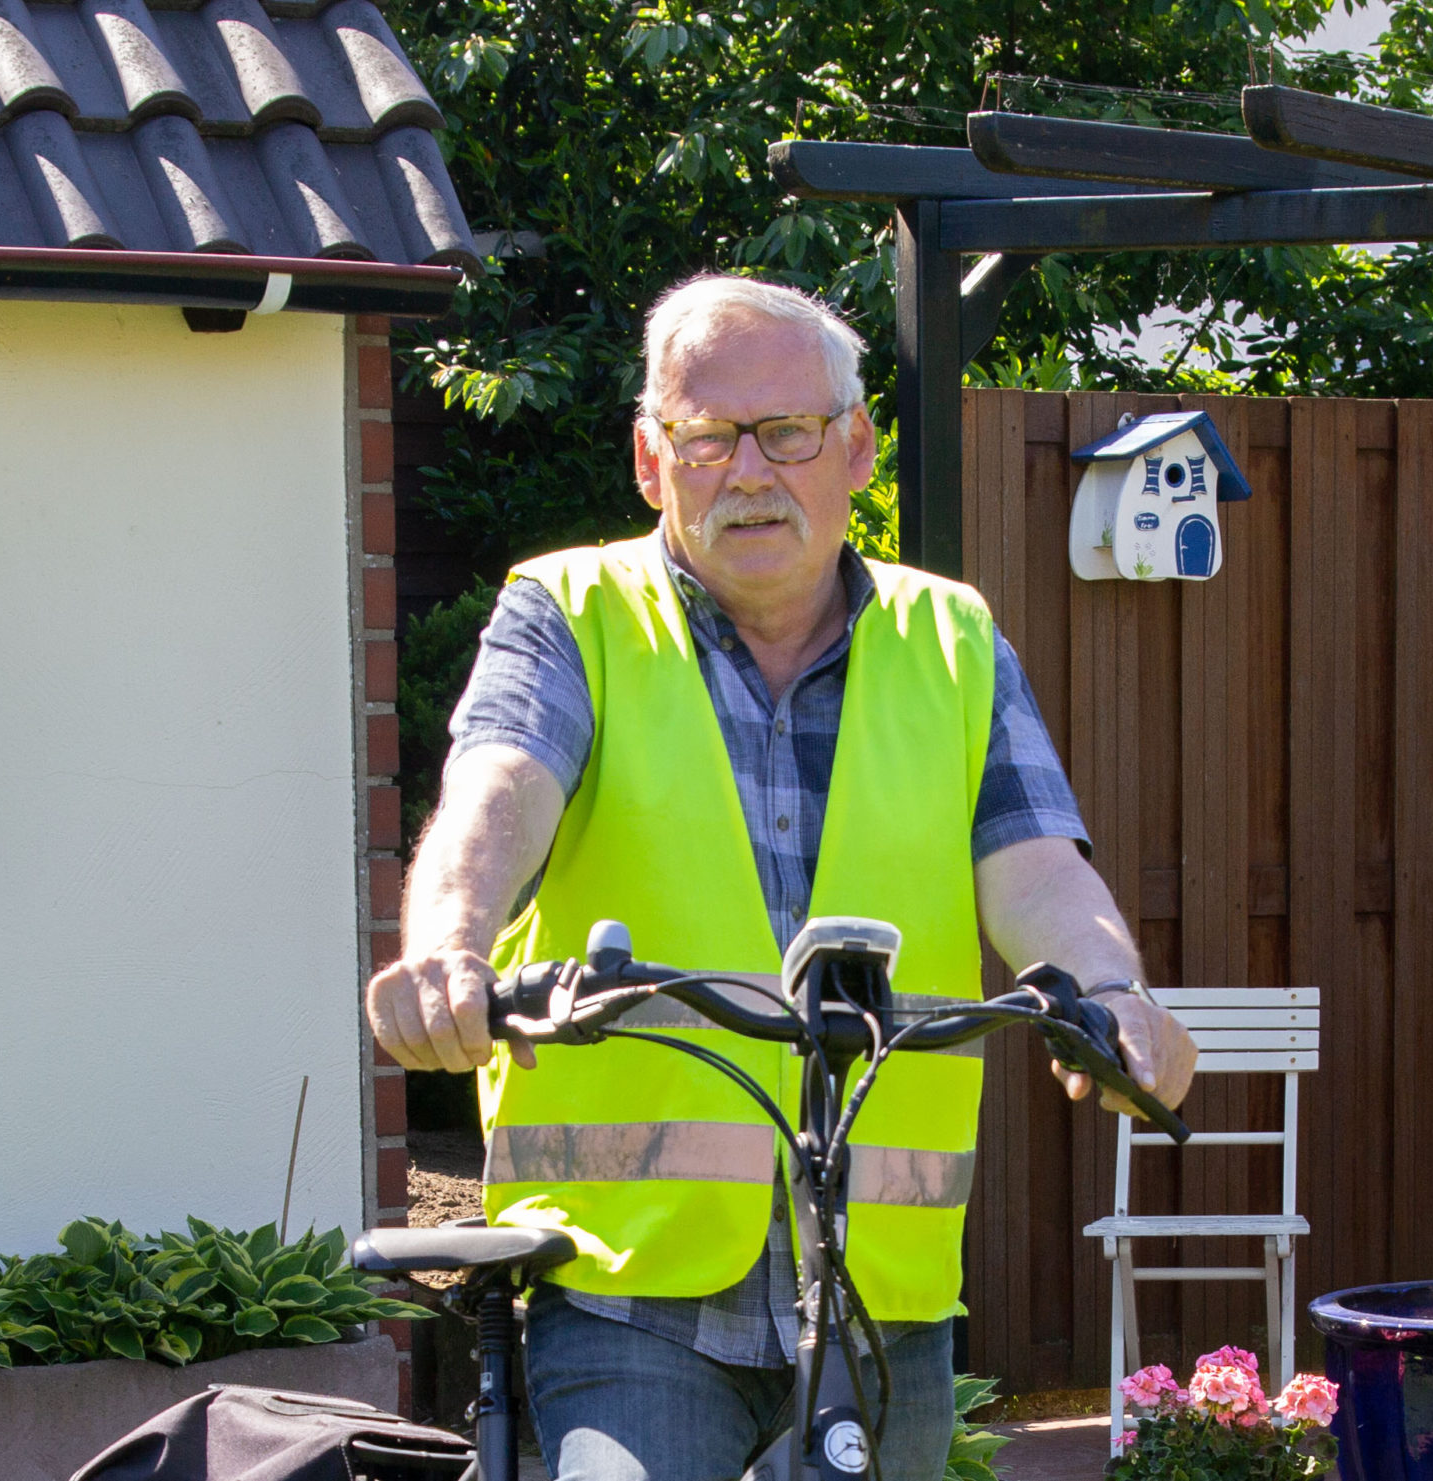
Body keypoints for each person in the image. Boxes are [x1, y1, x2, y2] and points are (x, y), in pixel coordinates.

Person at [366, 273, 1198, 1481]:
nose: (747, 470)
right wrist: (449, 946)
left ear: (855, 447)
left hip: (877, 1293)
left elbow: (1037, 870)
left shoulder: (952, 640)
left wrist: (1111, 995)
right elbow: (496, 792)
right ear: (654, 463)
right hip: (624, 1286)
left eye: (787, 432)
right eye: (706, 437)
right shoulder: (569, 612)